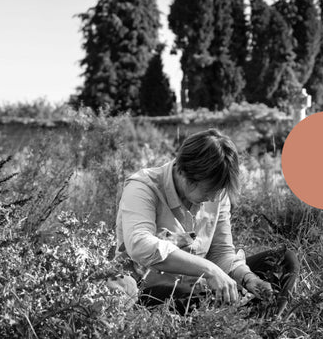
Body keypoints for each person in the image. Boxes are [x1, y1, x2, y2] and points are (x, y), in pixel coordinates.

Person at [115, 128, 299, 315]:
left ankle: (264, 326)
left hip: (198, 286)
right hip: (150, 289)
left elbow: (221, 252)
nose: (213, 198)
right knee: (189, 296)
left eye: (218, 190)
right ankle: (237, 320)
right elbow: (139, 244)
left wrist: (248, 278)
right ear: (184, 172)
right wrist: (209, 270)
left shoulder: (217, 194)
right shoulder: (142, 187)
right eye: (209, 189)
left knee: (283, 260)